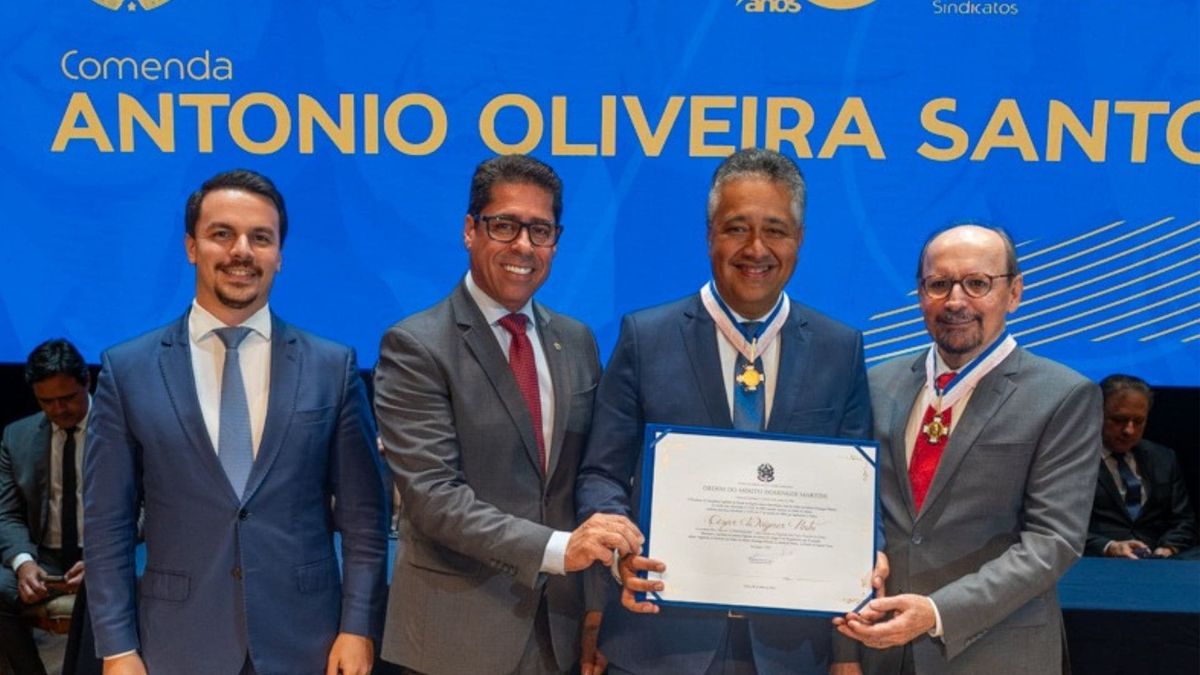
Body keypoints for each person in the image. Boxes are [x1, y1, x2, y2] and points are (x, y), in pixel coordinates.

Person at [576, 148, 877, 674]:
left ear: (799, 239)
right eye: (737, 228)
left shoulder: (840, 348)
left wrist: (862, 574)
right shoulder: (646, 337)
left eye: (775, 230)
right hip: (658, 641)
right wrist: (620, 549)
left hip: (790, 651)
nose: (756, 248)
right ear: (709, 234)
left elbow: (857, 496)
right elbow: (602, 474)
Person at [83, 169, 389, 675]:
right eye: (222, 233)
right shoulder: (128, 370)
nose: (241, 251)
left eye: (260, 238)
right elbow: (107, 527)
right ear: (191, 246)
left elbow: (364, 520)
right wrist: (117, 649)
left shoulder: (332, 367)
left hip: (307, 642)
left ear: (279, 255)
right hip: (176, 644)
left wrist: (358, 628)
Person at [374, 154, 643, 675]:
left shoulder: (577, 341)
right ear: (470, 230)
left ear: (556, 242)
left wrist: (595, 607)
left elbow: (587, 481)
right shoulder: (415, 346)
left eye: (540, 230)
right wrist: (559, 549)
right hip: (455, 636)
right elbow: (434, 499)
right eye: (504, 226)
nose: (523, 245)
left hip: (558, 633)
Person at [835, 224, 1102, 674]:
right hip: (876, 650)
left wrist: (937, 612)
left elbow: (1052, 542)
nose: (955, 301)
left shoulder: (1063, 396)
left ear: (1014, 293)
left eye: (977, 283)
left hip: (995, 654)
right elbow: (847, 519)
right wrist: (842, 652)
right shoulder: (876, 385)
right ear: (920, 294)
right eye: (939, 284)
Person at [0, 339, 95, 674]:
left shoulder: (122, 428)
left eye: (67, 398)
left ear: (87, 382)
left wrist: (102, 557)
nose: (58, 410)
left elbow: (146, 509)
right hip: (43, 557)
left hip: (104, 552)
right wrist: (23, 563)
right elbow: (6, 513)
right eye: (47, 401)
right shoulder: (17, 437)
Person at [1086, 374, 1197, 559]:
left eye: (1138, 422)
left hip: (1158, 559)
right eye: (1119, 420)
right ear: (1098, 414)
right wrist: (1109, 547)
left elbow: (1183, 521)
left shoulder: (1163, 458)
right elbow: (1059, 525)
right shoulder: (1073, 458)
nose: (1129, 430)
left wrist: (1169, 547)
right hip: (1099, 558)